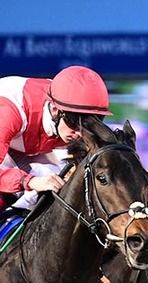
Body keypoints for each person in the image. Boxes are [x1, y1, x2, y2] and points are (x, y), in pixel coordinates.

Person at [0, 65, 112, 212]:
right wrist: (28, 181)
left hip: (25, 142)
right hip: (8, 129)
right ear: (54, 109)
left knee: (60, 186)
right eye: (74, 123)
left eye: (88, 124)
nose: (79, 134)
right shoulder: (8, 114)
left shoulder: (67, 113)